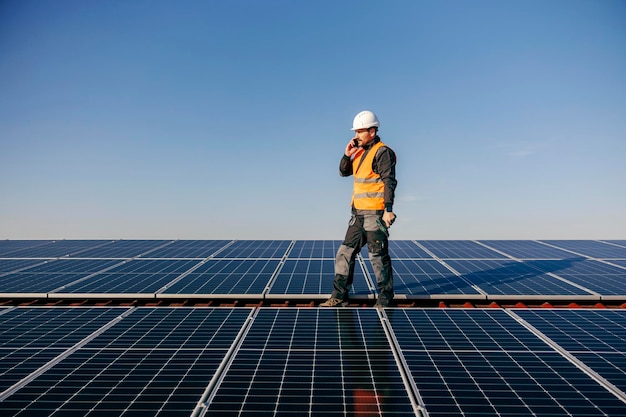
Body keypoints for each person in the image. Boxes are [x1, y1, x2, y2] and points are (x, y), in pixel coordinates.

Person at [321, 110, 397, 308]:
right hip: (357, 215)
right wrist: (347, 154)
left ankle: (385, 299)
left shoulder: (382, 152)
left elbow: (389, 181)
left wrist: (388, 209)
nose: (356, 136)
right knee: (344, 253)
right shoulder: (359, 151)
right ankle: (339, 296)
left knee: (377, 257)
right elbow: (343, 172)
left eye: (360, 132)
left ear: (372, 131)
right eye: (355, 132)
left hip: (375, 214)